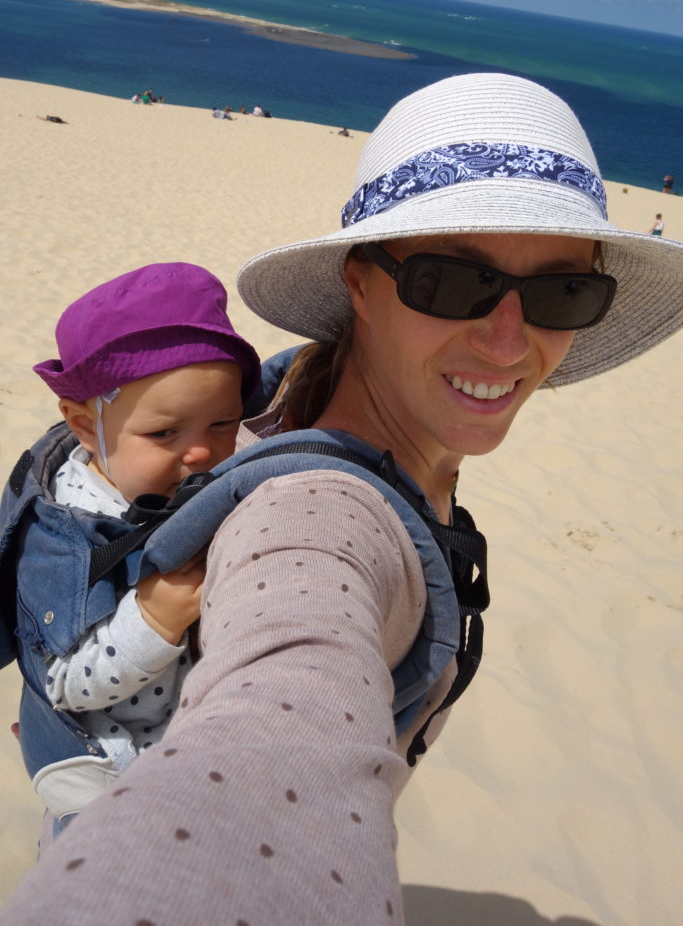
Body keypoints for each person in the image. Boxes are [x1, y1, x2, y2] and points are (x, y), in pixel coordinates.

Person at [3, 73, 683, 925]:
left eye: (560, 293)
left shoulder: (291, 389)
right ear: (359, 283)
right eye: (450, 281)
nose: (507, 342)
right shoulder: (314, 519)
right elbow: (279, 717)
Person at [9, 262, 260, 838]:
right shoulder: (62, 538)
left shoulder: (177, 476)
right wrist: (153, 620)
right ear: (83, 426)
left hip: (185, 748)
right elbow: (63, 684)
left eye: (223, 422)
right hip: (105, 767)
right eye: (164, 434)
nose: (201, 453)